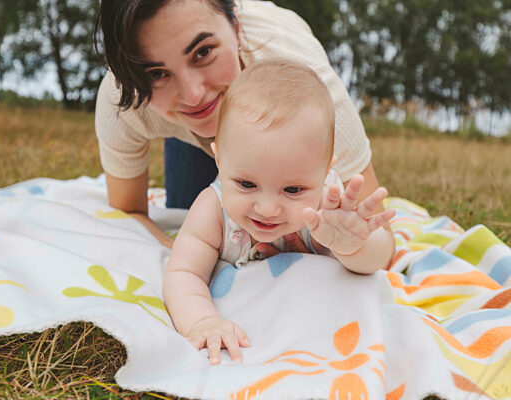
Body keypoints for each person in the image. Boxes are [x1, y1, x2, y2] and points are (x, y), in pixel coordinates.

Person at [94, 0, 384, 253]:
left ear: (236, 27)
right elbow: (128, 211)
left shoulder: (307, 89)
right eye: (157, 73)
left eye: (203, 51)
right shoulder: (124, 98)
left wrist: (343, 243)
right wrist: (182, 254)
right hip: (188, 136)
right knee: (188, 211)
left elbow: (374, 231)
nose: (193, 95)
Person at [163, 59, 396, 365]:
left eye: (293, 190)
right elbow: (183, 272)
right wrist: (201, 321)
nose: (268, 209)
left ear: (325, 174)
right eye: (246, 183)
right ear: (218, 157)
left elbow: (380, 260)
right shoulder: (213, 209)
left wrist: (353, 245)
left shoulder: (327, 209)